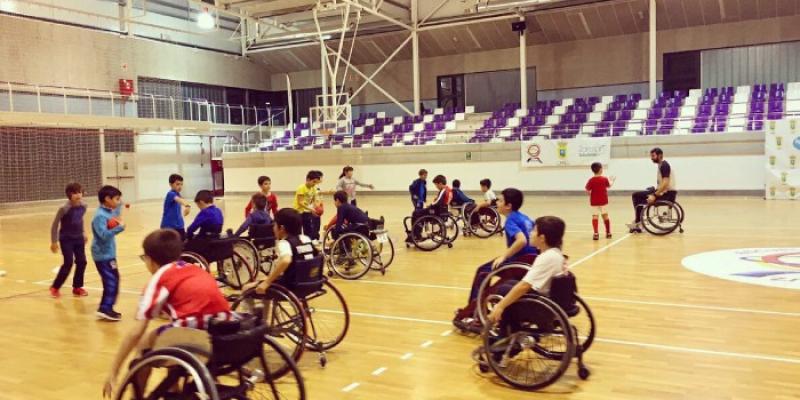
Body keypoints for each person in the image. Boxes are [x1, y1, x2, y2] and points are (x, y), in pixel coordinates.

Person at [101, 229, 233, 398]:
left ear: (150, 260)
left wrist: (113, 371)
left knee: (145, 344)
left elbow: (136, 332)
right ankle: (173, 388)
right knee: (169, 333)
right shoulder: (194, 269)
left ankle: (137, 396)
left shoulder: (159, 279)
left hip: (194, 335)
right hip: (224, 330)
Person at [453, 188, 539, 330]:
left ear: (508, 205)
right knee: (486, 271)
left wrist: (504, 256)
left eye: (500, 200)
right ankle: (475, 309)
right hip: (531, 259)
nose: (496, 202)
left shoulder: (511, 220)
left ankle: (474, 313)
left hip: (519, 262)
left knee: (482, 272)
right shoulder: (525, 218)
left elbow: (522, 240)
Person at [486, 216, 568, 323]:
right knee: (510, 283)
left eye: (534, 230)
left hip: (543, 306)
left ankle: (509, 329)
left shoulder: (546, 258)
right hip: (552, 299)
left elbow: (524, 286)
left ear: (542, 238)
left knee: (504, 290)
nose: (530, 233)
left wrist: (501, 306)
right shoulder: (556, 254)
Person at [251, 208, 318, 294]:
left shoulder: (285, 243)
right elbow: (316, 256)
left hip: (291, 286)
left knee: (247, 288)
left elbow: (286, 260)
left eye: (274, 225)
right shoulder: (306, 239)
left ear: (281, 228)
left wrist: (267, 282)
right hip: (310, 282)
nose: (273, 228)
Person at [49, 183, 89, 298]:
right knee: (68, 263)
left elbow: (79, 220)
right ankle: (55, 287)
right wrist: (54, 241)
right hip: (66, 239)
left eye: (80, 192)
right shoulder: (64, 208)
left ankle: (77, 287)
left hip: (79, 239)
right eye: (75, 193)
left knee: (82, 262)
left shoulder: (84, 206)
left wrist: (83, 232)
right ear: (69, 195)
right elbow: (55, 225)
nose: (78, 195)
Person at [92, 185, 126, 321]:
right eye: (116, 199)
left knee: (114, 279)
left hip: (109, 253)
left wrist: (120, 203)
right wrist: (119, 228)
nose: (118, 201)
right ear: (107, 199)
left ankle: (107, 307)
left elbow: (116, 211)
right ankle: (105, 308)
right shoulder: (100, 216)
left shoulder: (109, 212)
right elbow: (103, 235)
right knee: (110, 281)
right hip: (102, 255)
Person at [629, 147, 677, 233]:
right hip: (665, 193)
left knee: (636, 196)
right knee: (639, 194)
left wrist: (654, 195)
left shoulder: (664, 166)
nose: (651, 158)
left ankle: (639, 222)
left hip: (667, 195)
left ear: (660, 155)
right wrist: (654, 189)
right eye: (651, 156)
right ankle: (639, 220)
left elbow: (666, 183)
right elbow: (663, 183)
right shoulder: (661, 165)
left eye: (653, 156)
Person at [406, 175, 451, 243]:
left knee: (415, 213)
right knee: (419, 213)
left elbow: (437, 202)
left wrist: (430, 205)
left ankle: (416, 235)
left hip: (436, 211)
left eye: (436, 185)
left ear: (440, 183)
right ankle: (416, 233)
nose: (436, 187)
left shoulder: (443, 190)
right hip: (440, 210)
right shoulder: (448, 189)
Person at [585, 162, 615, 240]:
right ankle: (608, 233)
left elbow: (587, 189)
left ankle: (596, 234)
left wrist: (591, 195)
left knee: (595, 216)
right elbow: (609, 186)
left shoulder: (591, 180)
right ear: (601, 169)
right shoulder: (604, 179)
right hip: (603, 201)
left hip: (594, 201)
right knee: (605, 216)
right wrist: (612, 181)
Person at [160, 174, 192, 240]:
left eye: (181, 184)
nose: (180, 186)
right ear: (170, 184)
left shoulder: (178, 194)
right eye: (177, 184)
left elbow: (182, 200)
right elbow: (179, 200)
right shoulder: (170, 194)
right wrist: (187, 206)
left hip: (179, 226)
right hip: (169, 227)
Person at [294, 170, 323, 241]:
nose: (314, 184)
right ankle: (298, 242)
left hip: (307, 211)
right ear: (308, 179)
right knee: (298, 230)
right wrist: (311, 209)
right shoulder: (302, 188)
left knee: (308, 229)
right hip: (299, 212)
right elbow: (300, 202)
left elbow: (314, 200)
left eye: (316, 182)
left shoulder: (313, 188)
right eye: (314, 182)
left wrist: (316, 208)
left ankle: (308, 242)